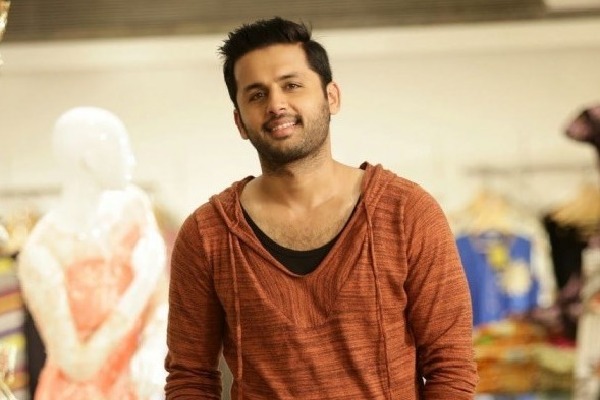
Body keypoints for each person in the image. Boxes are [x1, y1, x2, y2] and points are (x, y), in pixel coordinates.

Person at [164, 17, 478, 399]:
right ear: (240, 122)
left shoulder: (407, 212)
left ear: (332, 97)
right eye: (256, 95)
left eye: (291, 85)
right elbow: (190, 378)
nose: (276, 104)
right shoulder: (206, 235)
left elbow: (451, 367)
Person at [17, 106, 168, 399]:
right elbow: (76, 365)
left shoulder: (133, 208)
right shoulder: (41, 250)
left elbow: (161, 299)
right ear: (91, 159)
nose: (131, 160)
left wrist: (153, 348)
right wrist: (140, 285)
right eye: (122, 149)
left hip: (140, 386)